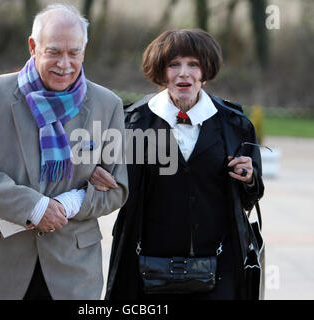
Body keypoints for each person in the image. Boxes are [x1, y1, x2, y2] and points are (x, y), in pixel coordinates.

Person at [0, 4, 128, 300]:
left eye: (74, 52)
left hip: (72, 273)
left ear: (84, 51)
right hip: (2, 267)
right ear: (33, 47)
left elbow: (117, 188)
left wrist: (71, 202)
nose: (65, 63)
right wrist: (35, 208)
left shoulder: (108, 105)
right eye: (54, 52)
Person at [103, 29, 264, 300]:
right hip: (146, 268)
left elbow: (252, 195)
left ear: (206, 70)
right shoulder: (132, 122)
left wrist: (249, 178)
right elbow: (113, 187)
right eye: (173, 64)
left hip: (220, 266)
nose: (184, 73)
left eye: (193, 64)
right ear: (160, 70)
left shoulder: (235, 125)